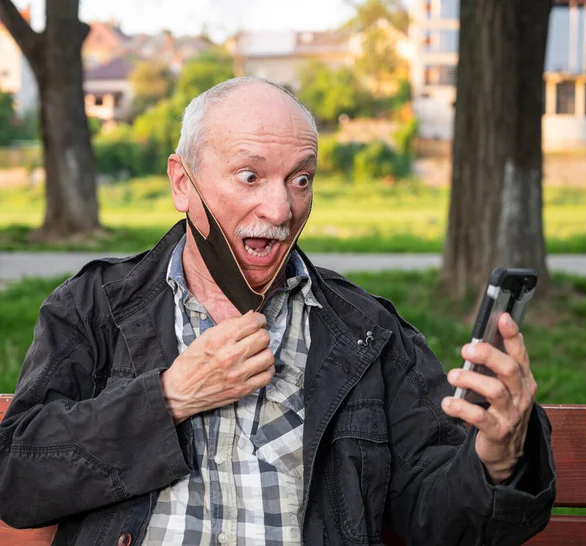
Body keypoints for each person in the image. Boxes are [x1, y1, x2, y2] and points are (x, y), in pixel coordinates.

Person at [0, 77, 555, 546]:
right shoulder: (95, 306)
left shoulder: (367, 333)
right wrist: (167, 398)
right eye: (250, 176)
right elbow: (17, 477)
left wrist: (496, 458)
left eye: (301, 178)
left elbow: (435, 518)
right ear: (181, 183)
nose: (281, 207)